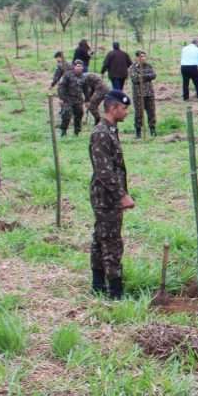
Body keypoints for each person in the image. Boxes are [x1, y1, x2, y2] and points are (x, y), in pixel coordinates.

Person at [90, 90, 135, 299]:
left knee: (101, 236)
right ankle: (115, 291)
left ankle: (98, 285)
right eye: (124, 109)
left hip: (108, 195)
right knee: (111, 241)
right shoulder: (101, 133)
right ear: (113, 108)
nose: (126, 113)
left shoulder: (111, 130)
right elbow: (104, 171)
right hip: (106, 197)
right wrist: (121, 195)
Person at [129, 51, 158, 138]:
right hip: (138, 94)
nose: (143, 58)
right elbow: (135, 79)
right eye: (141, 57)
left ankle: (152, 129)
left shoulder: (149, 66)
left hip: (149, 93)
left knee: (151, 112)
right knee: (139, 113)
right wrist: (146, 76)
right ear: (137, 58)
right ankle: (138, 131)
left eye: (144, 57)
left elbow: (153, 75)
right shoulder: (133, 67)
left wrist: (143, 76)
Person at [57, 59, 87, 137]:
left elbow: (86, 89)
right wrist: (61, 98)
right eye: (77, 66)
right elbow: (61, 86)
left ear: (83, 68)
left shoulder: (83, 77)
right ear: (74, 67)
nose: (79, 68)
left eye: (80, 66)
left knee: (79, 114)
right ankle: (63, 131)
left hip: (78, 100)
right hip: (68, 99)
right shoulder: (68, 75)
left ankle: (76, 132)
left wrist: (88, 100)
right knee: (66, 115)